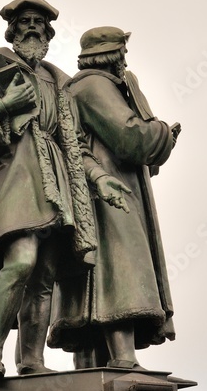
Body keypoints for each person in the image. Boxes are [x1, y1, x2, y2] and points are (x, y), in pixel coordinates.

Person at [0, 0, 128, 379]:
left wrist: (100, 178)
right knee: (21, 260)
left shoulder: (59, 81)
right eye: (25, 22)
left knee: (44, 278)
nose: (33, 28)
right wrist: (4, 104)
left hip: (57, 179)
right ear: (12, 31)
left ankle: (31, 360)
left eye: (39, 24)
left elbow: (75, 142)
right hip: (14, 174)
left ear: (48, 33)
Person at [49, 27, 180, 369]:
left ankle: (94, 366)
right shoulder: (94, 85)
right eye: (122, 52)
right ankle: (123, 358)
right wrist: (163, 134)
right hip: (106, 193)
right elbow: (128, 136)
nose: (125, 60)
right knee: (116, 268)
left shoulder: (87, 86)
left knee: (98, 276)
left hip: (102, 187)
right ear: (112, 54)